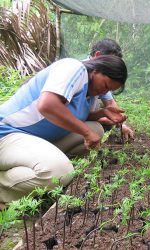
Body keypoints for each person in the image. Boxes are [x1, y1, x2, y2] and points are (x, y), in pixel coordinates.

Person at [0, 55, 128, 204]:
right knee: (60, 172)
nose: (103, 92)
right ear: (97, 70)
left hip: (32, 137)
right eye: (105, 85)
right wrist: (87, 133)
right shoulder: (73, 68)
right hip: (6, 132)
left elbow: (76, 117)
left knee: (96, 129)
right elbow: (47, 105)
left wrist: (102, 113)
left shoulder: (91, 94)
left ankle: (43, 176)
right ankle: (5, 189)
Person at [89, 38, 134, 141]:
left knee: (109, 120)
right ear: (98, 56)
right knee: (97, 128)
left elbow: (110, 102)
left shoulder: (101, 74)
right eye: (111, 63)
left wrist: (122, 125)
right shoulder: (81, 72)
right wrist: (99, 119)